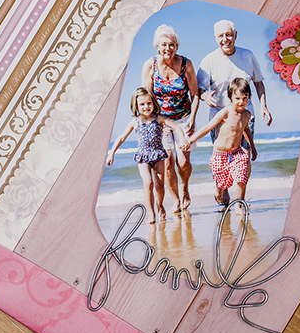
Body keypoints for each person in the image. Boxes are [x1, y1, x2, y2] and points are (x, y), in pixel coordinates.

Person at [107, 88, 188, 223]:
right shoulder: (135, 122)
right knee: (148, 183)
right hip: (143, 156)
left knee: (160, 186)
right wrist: (112, 153)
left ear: (153, 103)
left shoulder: (159, 118)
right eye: (142, 104)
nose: (146, 107)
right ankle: (151, 214)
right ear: (136, 106)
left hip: (158, 154)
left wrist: (183, 139)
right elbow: (121, 138)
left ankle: (160, 205)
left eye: (149, 103)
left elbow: (177, 128)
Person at [141, 24, 198, 213]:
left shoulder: (186, 64)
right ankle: (175, 200)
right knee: (168, 162)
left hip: (183, 118)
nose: (168, 48)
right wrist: (153, 121)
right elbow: (145, 97)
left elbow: (195, 94)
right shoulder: (150, 65)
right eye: (164, 45)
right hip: (162, 121)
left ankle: (185, 187)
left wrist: (193, 118)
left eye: (172, 44)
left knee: (183, 163)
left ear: (177, 46)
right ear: (158, 46)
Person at [186, 78, 257, 205]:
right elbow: (208, 127)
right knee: (222, 183)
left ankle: (240, 202)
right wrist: (191, 140)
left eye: (245, 98)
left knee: (242, 177)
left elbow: (246, 130)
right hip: (220, 154)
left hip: (237, 153)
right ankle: (218, 192)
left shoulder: (247, 114)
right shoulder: (225, 112)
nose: (242, 102)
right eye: (238, 98)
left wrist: (253, 147)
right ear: (230, 97)